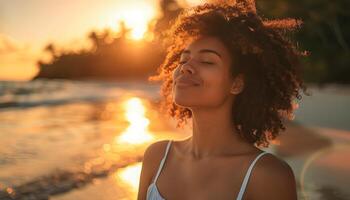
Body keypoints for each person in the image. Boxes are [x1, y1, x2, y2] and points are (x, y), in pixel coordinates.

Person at [138, 0, 308, 199]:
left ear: (236, 84)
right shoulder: (157, 157)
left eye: (207, 61)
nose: (185, 67)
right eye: (183, 59)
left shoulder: (266, 175)